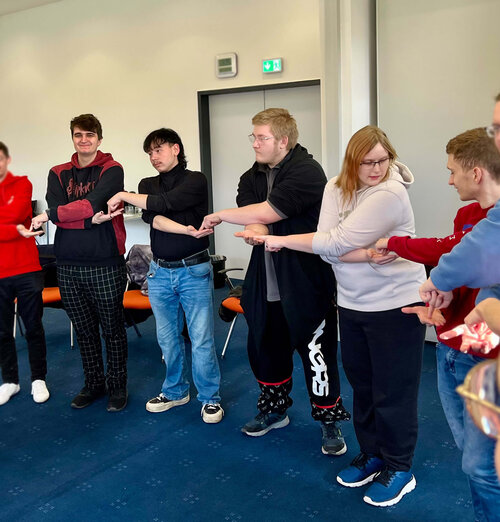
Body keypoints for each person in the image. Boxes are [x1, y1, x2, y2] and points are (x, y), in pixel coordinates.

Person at [258, 125, 427, 507]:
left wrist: (281, 240)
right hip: (353, 303)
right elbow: (326, 247)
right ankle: (373, 454)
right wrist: (364, 253)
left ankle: (400, 467)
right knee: (363, 386)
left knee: (393, 391)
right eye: (368, 162)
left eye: (383, 160)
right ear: (352, 161)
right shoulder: (335, 186)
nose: (376, 169)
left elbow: (334, 242)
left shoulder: (391, 192)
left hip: (395, 305)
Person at [201, 108, 350, 454]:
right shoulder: (250, 176)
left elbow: (269, 212)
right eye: (253, 137)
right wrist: (255, 227)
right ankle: (274, 409)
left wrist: (221, 215)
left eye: (261, 137)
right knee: (265, 348)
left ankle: (329, 420)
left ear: (283, 141)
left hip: (305, 279)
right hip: (264, 280)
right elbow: (255, 219)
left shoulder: (308, 172)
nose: (254, 143)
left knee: (317, 354)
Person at [375, 128, 500, 520]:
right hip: (452, 344)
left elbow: (454, 258)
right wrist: (439, 292)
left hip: (481, 353)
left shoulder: (490, 224)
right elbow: (454, 257)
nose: (449, 180)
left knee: (482, 466)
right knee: (474, 460)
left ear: (476, 173)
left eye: (452, 171)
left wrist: (431, 278)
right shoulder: (468, 215)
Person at [107, 128, 223, 424]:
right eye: (149, 153)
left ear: (175, 149)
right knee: (167, 338)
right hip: (159, 272)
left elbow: (165, 203)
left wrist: (122, 195)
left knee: (201, 338)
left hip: (193, 270)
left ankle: (210, 398)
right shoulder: (147, 184)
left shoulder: (196, 180)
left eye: (158, 150)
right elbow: (156, 218)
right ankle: (175, 391)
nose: (153, 157)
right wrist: (186, 230)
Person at [31, 114, 128, 412]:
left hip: (105, 261)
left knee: (112, 328)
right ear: (72, 138)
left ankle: (118, 386)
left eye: (89, 134)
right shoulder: (57, 172)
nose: (84, 140)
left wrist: (55, 215)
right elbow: (62, 212)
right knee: (84, 330)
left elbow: (91, 204)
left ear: (99, 138)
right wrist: (86, 221)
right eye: (78, 135)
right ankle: (94, 383)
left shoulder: (112, 169)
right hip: (68, 263)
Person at [0, 141, 49, 406]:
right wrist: (13, 229)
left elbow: (18, 214)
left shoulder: (22, 184)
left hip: (26, 268)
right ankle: (10, 381)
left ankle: (38, 378)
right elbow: (13, 223)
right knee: (2, 331)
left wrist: (13, 225)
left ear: (7, 160)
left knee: (33, 327)